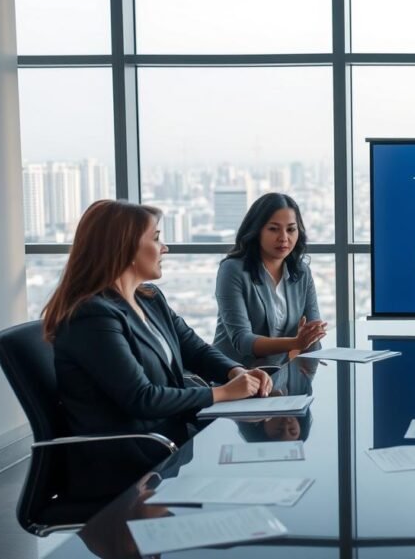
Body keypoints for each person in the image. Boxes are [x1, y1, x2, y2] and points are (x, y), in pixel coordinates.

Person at [45, 200, 273, 499]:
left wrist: (237, 371)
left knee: (266, 468)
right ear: (124, 248)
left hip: (169, 441)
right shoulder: (92, 316)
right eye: (156, 238)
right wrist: (224, 393)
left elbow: (195, 349)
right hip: (131, 459)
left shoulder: (150, 299)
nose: (165, 248)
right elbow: (141, 398)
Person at [213, 193, 327, 368]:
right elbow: (243, 341)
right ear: (256, 230)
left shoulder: (301, 272)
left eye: (290, 229)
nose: (284, 238)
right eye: (273, 229)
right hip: (234, 377)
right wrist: (296, 343)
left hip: (280, 377)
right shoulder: (232, 270)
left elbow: (312, 334)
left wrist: (306, 344)